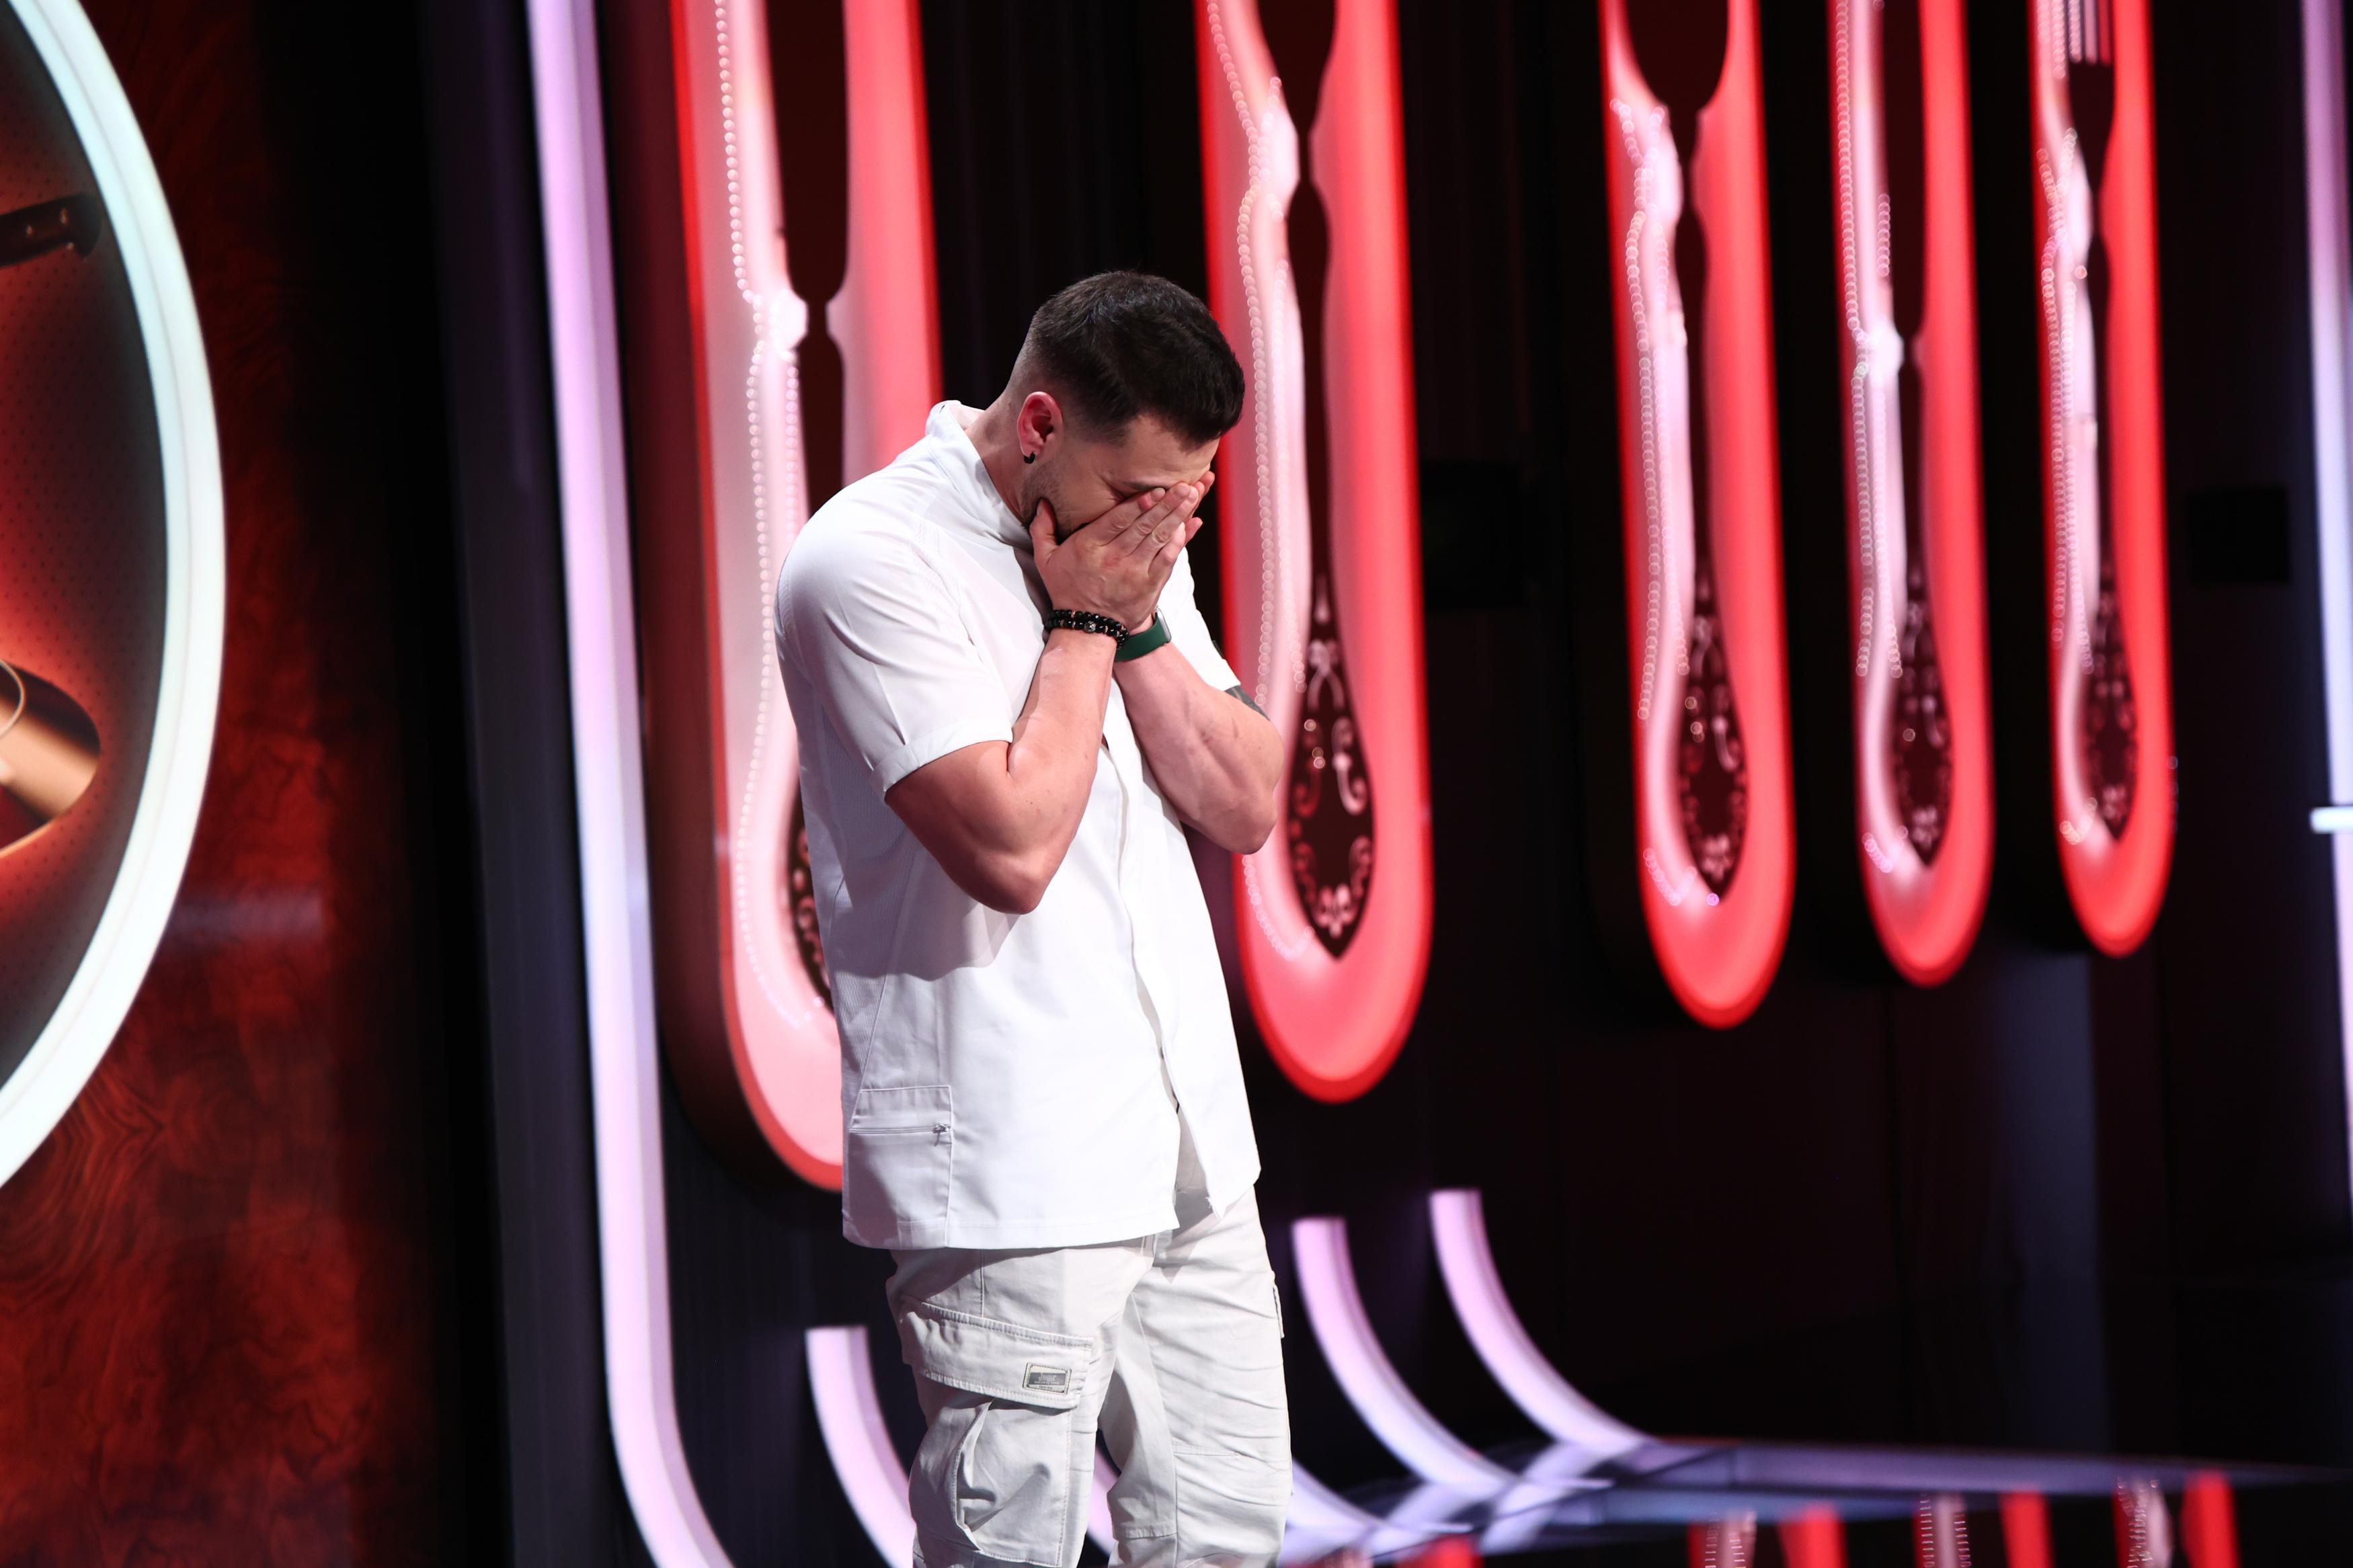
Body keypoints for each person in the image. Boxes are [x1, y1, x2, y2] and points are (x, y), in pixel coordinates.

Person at [774, 271, 1291, 1568]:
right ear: (1044, 425)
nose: (1167, 525)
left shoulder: (1127, 548)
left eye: (1190, 499)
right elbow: (1010, 847)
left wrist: (1135, 615)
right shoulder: (869, 558)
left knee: (1229, 1541)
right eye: (1144, 493)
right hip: (1013, 1177)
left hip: (1188, 1152)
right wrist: (1085, 622)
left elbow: (1244, 800)